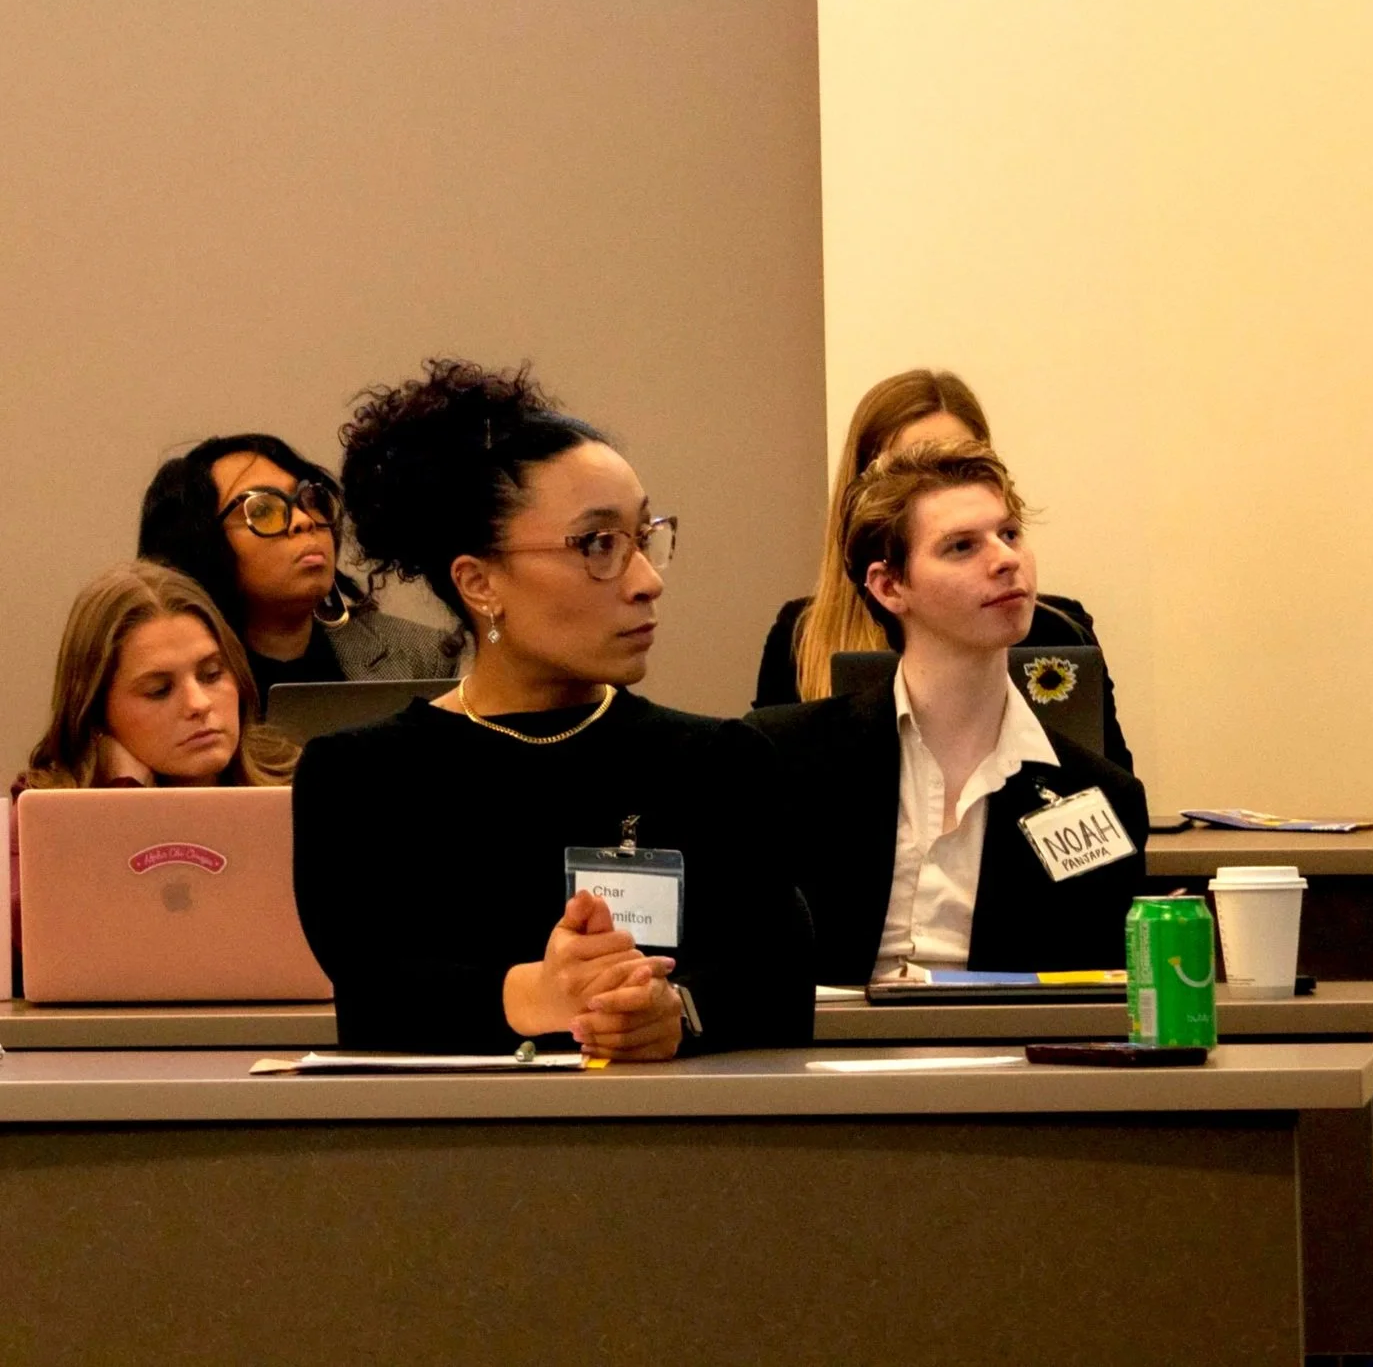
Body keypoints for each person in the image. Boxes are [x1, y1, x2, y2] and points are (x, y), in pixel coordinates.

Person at [292, 359, 813, 1057]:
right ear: (479, 584)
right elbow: (376, 1000)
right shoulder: (360, 778)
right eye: (598, 545)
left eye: (644, 536)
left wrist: (675, 1012)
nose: (647, 580)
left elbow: (776, 986)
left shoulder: (721, 763)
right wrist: (535, 996)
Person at [747, 436, 1147, 984]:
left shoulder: (1098, 795)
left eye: (1009, 534)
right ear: (890, 586)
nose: (1006, 560)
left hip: (1008, 1062)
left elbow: (1094, 1007)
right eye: (961, 546)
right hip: (816, 1060)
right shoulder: (782, 756)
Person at [754, 368, 1133, 769]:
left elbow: (1117, 799)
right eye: (913, 465)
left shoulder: (1059, 630)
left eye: (958, 461)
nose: (942, 482)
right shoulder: (802, 635)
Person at [11, 560, 298, 989]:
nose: (198, 703)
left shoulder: (299, 783)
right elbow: (34, 945)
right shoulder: (41, 813)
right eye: (159, 690)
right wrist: (124, 794)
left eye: (212, 674)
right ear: (96, 712)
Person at [138, 434, 455, 709]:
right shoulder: (163, 681)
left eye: (311, 499)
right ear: (199, 543)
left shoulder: (422, 656)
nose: (304, 520)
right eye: (263, 509)